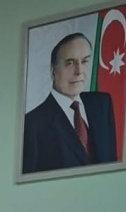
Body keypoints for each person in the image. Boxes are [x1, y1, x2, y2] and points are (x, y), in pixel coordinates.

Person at [22, 32, 117, 174]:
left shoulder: (102, 104)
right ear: (53, 71)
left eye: (84, 61)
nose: (79, 71)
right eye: (70, 63)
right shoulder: (32, 123)